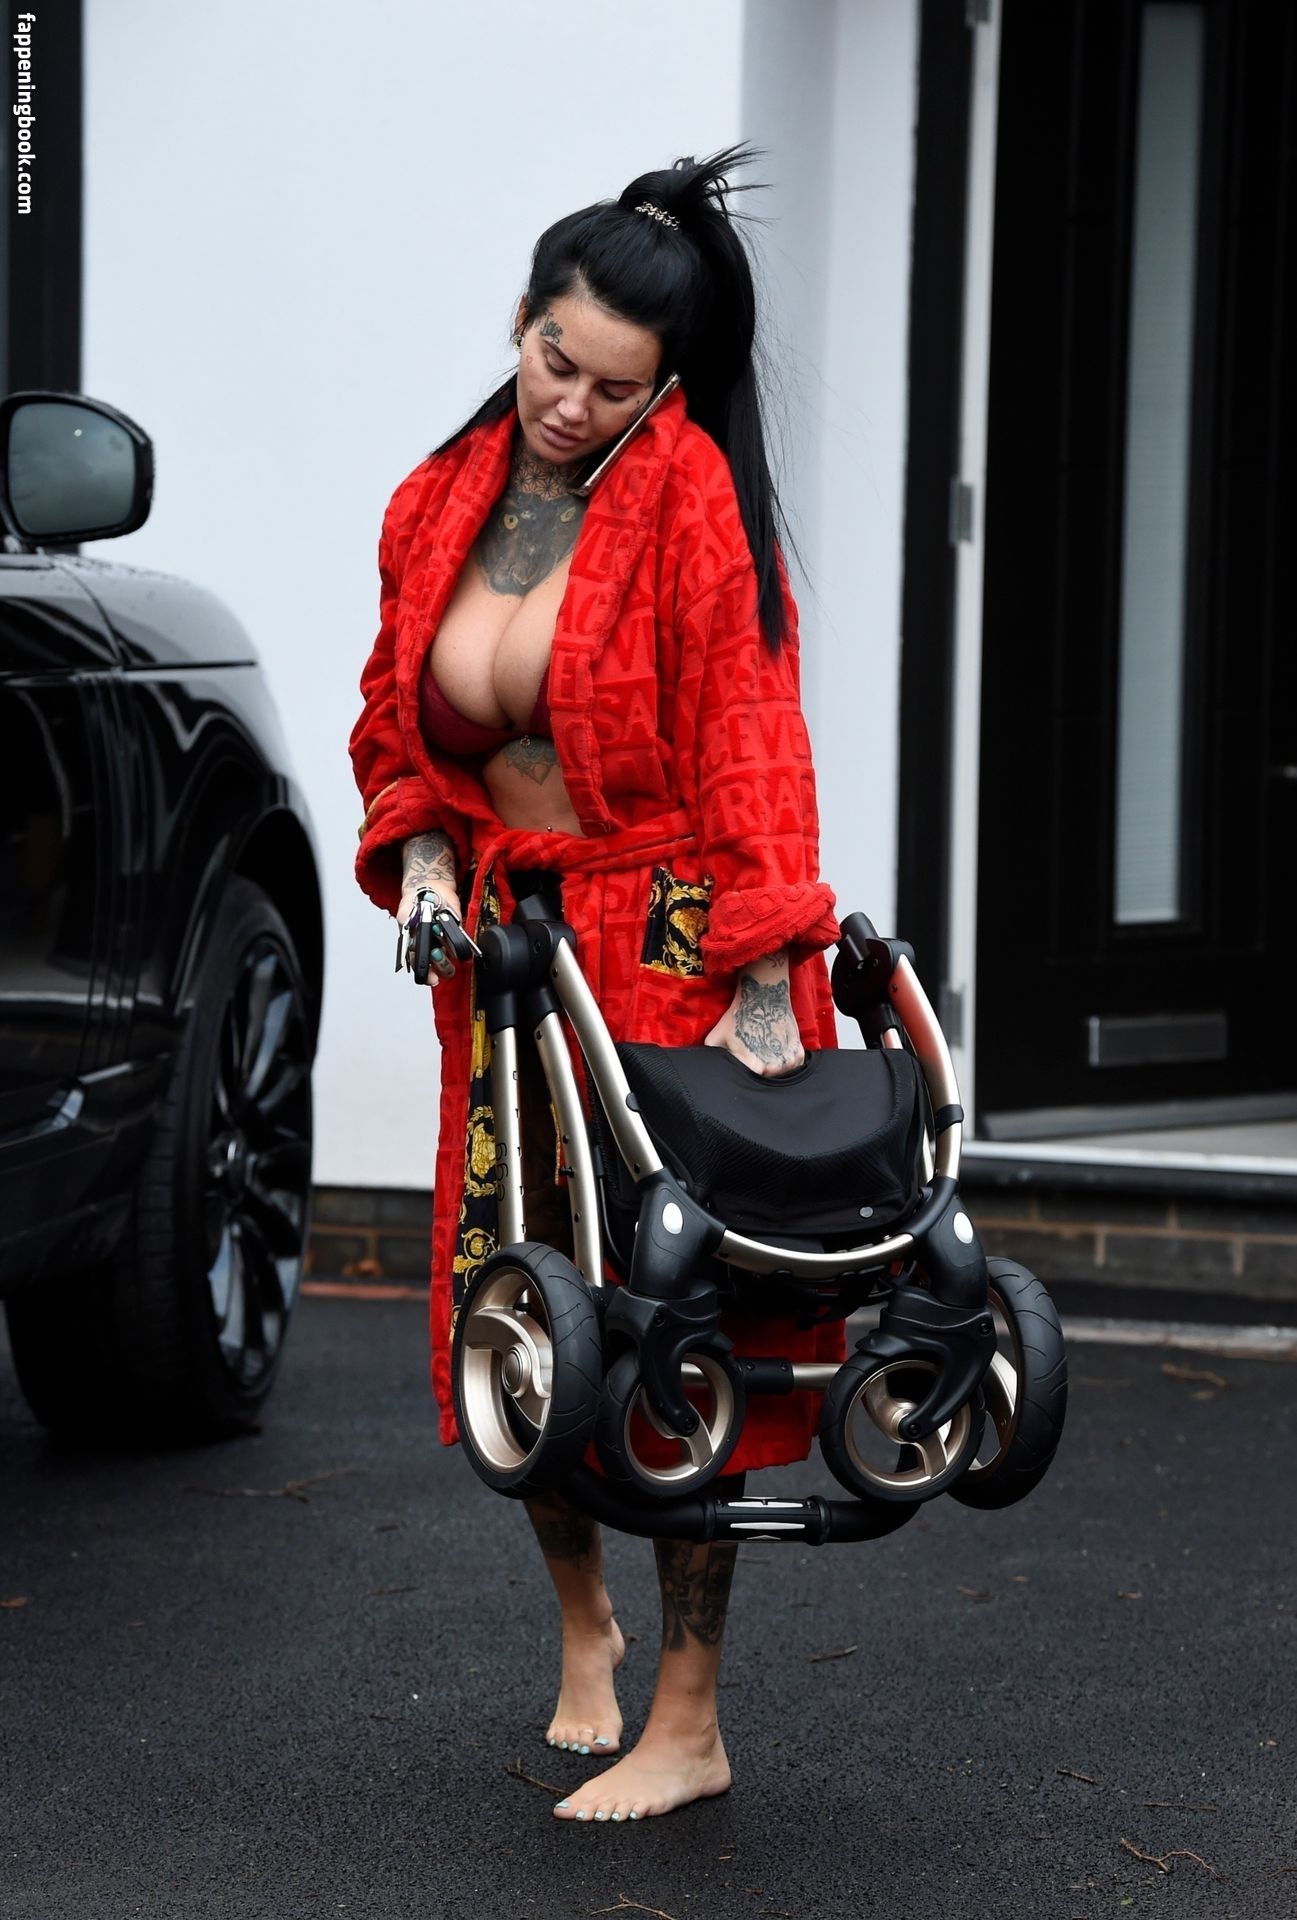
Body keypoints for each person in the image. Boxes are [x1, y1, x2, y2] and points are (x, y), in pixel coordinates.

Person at [349, 148, 845, 1823]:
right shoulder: (436, 501)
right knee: (516, 1292)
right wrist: (424, 855)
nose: (569, 404)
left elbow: (751, 738)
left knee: (681, 1310)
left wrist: (763, 990)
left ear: (665, 388)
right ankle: (583, 1629)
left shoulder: (691, 496)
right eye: (553, 358)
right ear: (522, 320)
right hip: (506, 953)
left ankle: (690, 1719)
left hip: (668, 940)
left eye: (612, 387)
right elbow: (392, 720)